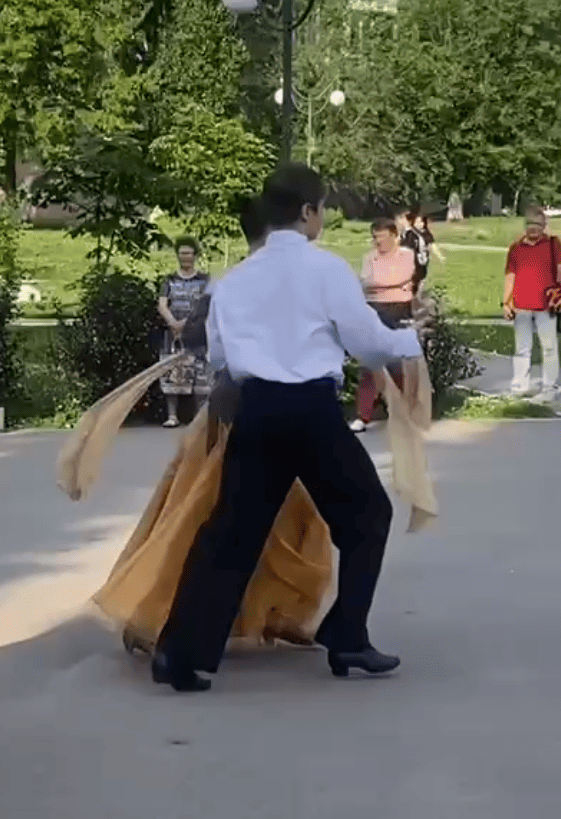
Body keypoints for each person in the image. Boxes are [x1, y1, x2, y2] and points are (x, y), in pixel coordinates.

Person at [149, 164, 426, 693]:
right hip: (310, 409)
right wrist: (411, 340)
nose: (322, 217)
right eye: (321, 208)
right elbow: (368, 346)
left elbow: (221, 357)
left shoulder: (235, 280)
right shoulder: (326, 270)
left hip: (256, 408)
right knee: (368, 515)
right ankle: (347, 634)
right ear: (306, 212)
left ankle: (179, 654)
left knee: (230, 532)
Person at [87, 196, 333, 655]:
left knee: (289, 514)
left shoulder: (246, 280)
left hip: (270, 412)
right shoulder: (246, 282)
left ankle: (278, 610)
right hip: (241, 415)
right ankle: (154, 615)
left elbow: (198, 335)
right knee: (205, 517)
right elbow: (199, 336)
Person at [351, 218, 418, 433]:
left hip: (398, 311)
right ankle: (363, 416)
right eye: (374, 237)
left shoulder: (406, 255)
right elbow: (365, 281)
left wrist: (379, 283)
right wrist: (383, 283)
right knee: (370, 365)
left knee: (397, 365)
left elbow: (402, 277)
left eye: (381, 237)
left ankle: (405, 413)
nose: (377, 242)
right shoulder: (370, 258)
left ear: (394, 236)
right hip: (374, 311)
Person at [503, 207, 561, 402]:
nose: (533, 228)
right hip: (521, 305)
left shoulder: (552, 244)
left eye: (538, 225)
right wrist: (506, 302)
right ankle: (519, 386)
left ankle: (550, 386)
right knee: (522, 349)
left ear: (544, 226)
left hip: (546, 305)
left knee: (549, 348)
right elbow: (510, 276)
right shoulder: (516, 248)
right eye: (530, 224)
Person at [156, 237, 211, 428]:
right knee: (172, 372)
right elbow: (162, 304)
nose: (185, 257)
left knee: (199, 373)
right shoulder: (169, 280)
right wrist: (172, 323)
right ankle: (172, 416)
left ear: (195, 255)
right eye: (181, 253)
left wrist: (186, 323)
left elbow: (205, 305)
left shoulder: (204, 280)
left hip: (197, 334)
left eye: (188, 253)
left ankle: (198, 417)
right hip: (173, 335)